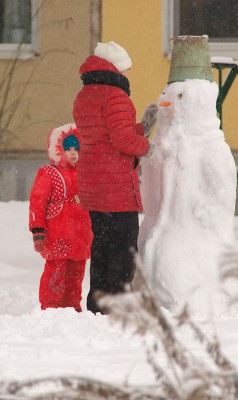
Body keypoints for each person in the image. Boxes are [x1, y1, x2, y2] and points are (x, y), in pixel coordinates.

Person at [72, 41, 159, 313]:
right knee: (123, 250)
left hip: (94, 184)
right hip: (115, 186)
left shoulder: (85, 94)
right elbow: (121, 139)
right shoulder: (115, 96)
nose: (127, 74)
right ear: (116, 68)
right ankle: (119, 304)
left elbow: (103, 134)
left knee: (102, 247)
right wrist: (147, 146)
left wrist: (141, 128)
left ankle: (98, 303)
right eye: (126, 69)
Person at [28, 123, 93, 312]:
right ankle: (50, 306)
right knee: (56, 271)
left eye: (76, 149)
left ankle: (73, 306)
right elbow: (37, 201)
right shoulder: (49, 173)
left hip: (80, 232)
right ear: (58, 150)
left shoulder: (85, 173)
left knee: (76, 273)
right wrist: (38, 230)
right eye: (68, 149)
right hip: (58, 232)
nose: (73, 153)